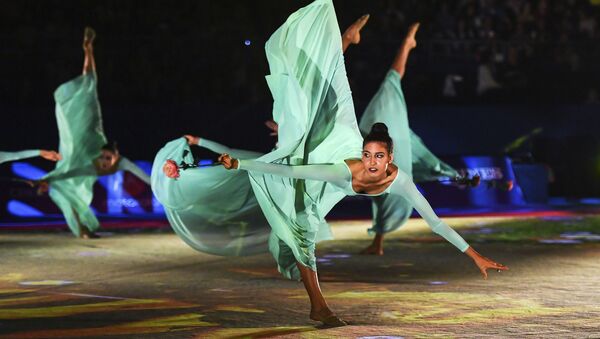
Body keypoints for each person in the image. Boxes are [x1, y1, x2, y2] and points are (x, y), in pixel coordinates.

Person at [35, 27, 150, 239]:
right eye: (104, 157)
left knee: (90, 85)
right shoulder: (91, 162)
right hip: (82, 140)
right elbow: (68, 174)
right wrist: (47, 179)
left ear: (116, 157)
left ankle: (83, 227)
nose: (105, 161)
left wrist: (164, 187)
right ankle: (82, 229)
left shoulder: (120, 162)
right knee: (89, 84)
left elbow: (144, 177)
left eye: (108, 158)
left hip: (89, 136)